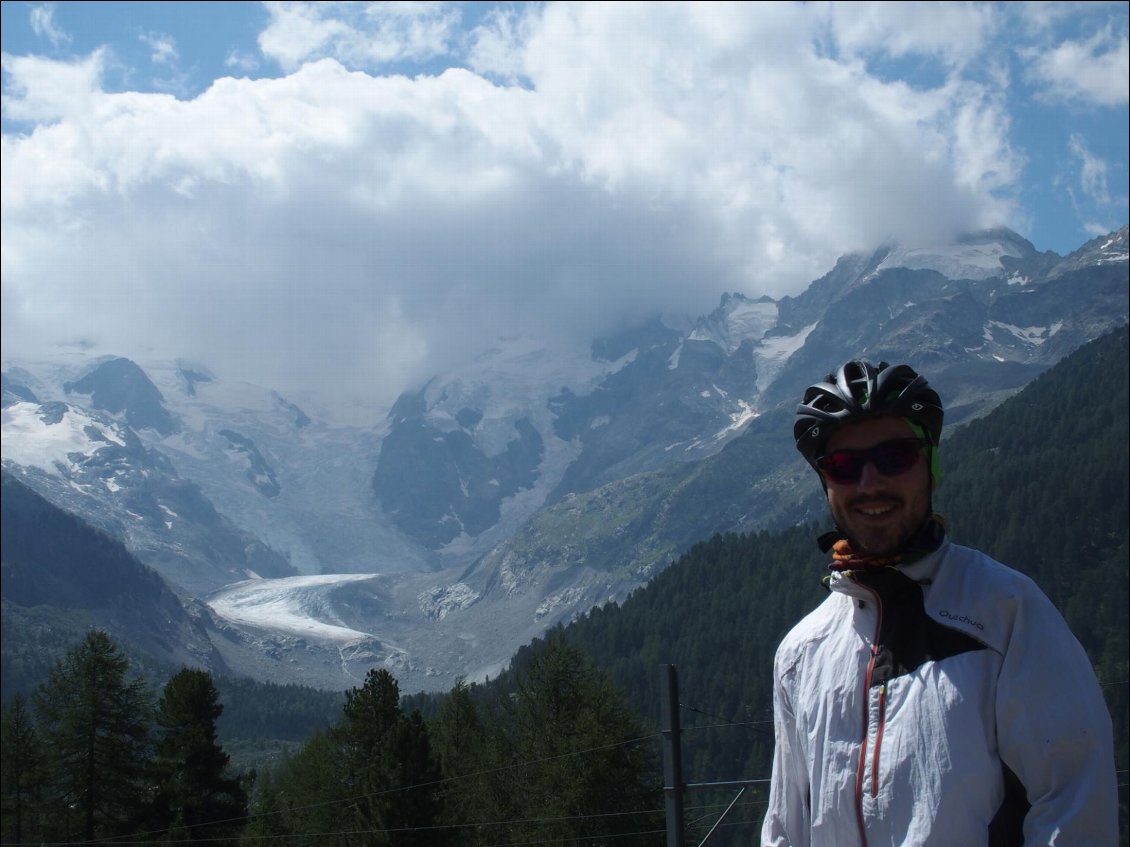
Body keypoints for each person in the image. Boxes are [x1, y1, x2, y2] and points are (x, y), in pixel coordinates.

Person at [760, 359, 1118, 847]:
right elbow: (786, 828)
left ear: (931, 464)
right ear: (826, 483)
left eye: (895, 457)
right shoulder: (799, 654)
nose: (868, 483)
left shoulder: (1007, 610)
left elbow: (1075, 806)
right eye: (843, 466)